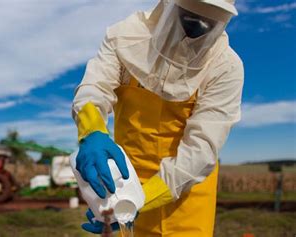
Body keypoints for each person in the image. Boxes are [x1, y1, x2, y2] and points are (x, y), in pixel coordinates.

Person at [72, 0, 243, 236]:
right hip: (125, 182)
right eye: (187, 15)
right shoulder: (125, 37)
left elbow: (202, 148)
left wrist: (142, 199)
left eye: (209, 21)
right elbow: (95, 87)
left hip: (188, 192)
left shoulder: (226, 67)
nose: (197, 26)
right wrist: (91, 131)